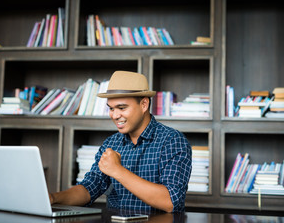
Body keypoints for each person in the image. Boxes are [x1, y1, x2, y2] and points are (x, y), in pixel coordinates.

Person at [49, 71, 192, 212]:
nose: (115, 115)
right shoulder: (111, 143)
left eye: (122, 108)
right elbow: (89, 188)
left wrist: (118, 171)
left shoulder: (173, 141)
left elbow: (171, 201)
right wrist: (53, 198)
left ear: (144, 104)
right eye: (111, 108)